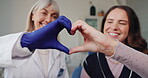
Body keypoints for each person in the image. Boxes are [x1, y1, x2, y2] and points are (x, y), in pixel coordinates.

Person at [70, 5, 148, 78]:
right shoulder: (91, 61)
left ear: (132, 28)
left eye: (122, 23)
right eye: (110, 22)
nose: (114, 27)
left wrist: (109, 46)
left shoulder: (142, 58)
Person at [0, 0, 72, 78]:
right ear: (32, 16)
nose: (48, 20)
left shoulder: (59, 52)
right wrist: (25, 43)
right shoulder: (15, 43)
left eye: (54, 16)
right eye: (44, 13)